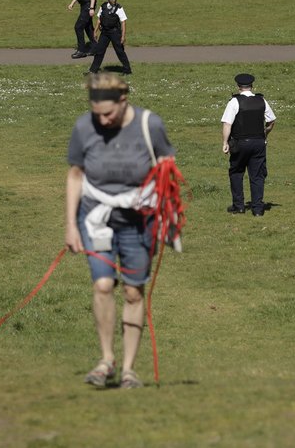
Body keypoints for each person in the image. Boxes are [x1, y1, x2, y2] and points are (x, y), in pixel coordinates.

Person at [64, 73, 175, 389]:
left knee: (132, 291)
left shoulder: (149, 125)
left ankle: (129, 369)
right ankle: (105, 360)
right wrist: (70, 225)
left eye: (108, 113)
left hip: (139, 221)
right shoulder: (84, 127)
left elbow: (167, 165)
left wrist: (166, 213)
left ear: (124, 101)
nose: (103, 120)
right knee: (102, 284)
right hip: (96, 217)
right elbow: (75, 175)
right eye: (97, 113)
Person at [221, 73, 276, 216]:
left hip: (240, 143)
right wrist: (265, 134)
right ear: (252, 86)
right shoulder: (261, 100)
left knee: (237, 173)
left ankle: (239, 206)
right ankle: (258, 209)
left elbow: (227, 124)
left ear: (238, 87)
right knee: (257, 175)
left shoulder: (234, 102)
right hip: (258, 143)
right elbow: (271, 121)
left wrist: (225, 142)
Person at [87, 0, 133, 75]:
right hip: (104, 32)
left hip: (115, 32)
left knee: (119, 51)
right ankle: (93, 70)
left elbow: (123, 22)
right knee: (99, 51)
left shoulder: (119, 8)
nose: (114, 0)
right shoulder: (103, 6)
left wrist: (123, 36)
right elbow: (99, 19)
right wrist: (95, 31)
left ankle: (127, 70)